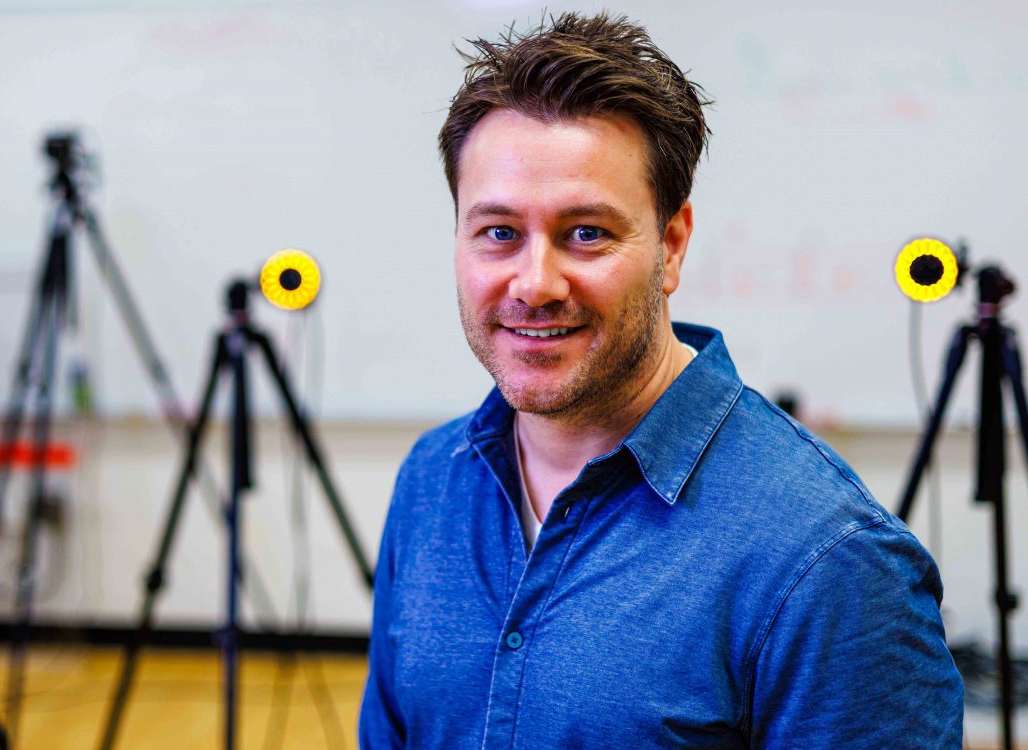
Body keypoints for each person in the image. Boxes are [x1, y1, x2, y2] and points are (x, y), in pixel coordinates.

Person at [359, 11, 963, 749]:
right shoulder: (431, 482)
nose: (535, 282)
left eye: (587, 232)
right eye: (499, 232)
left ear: (671, 246)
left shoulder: (829, 560)